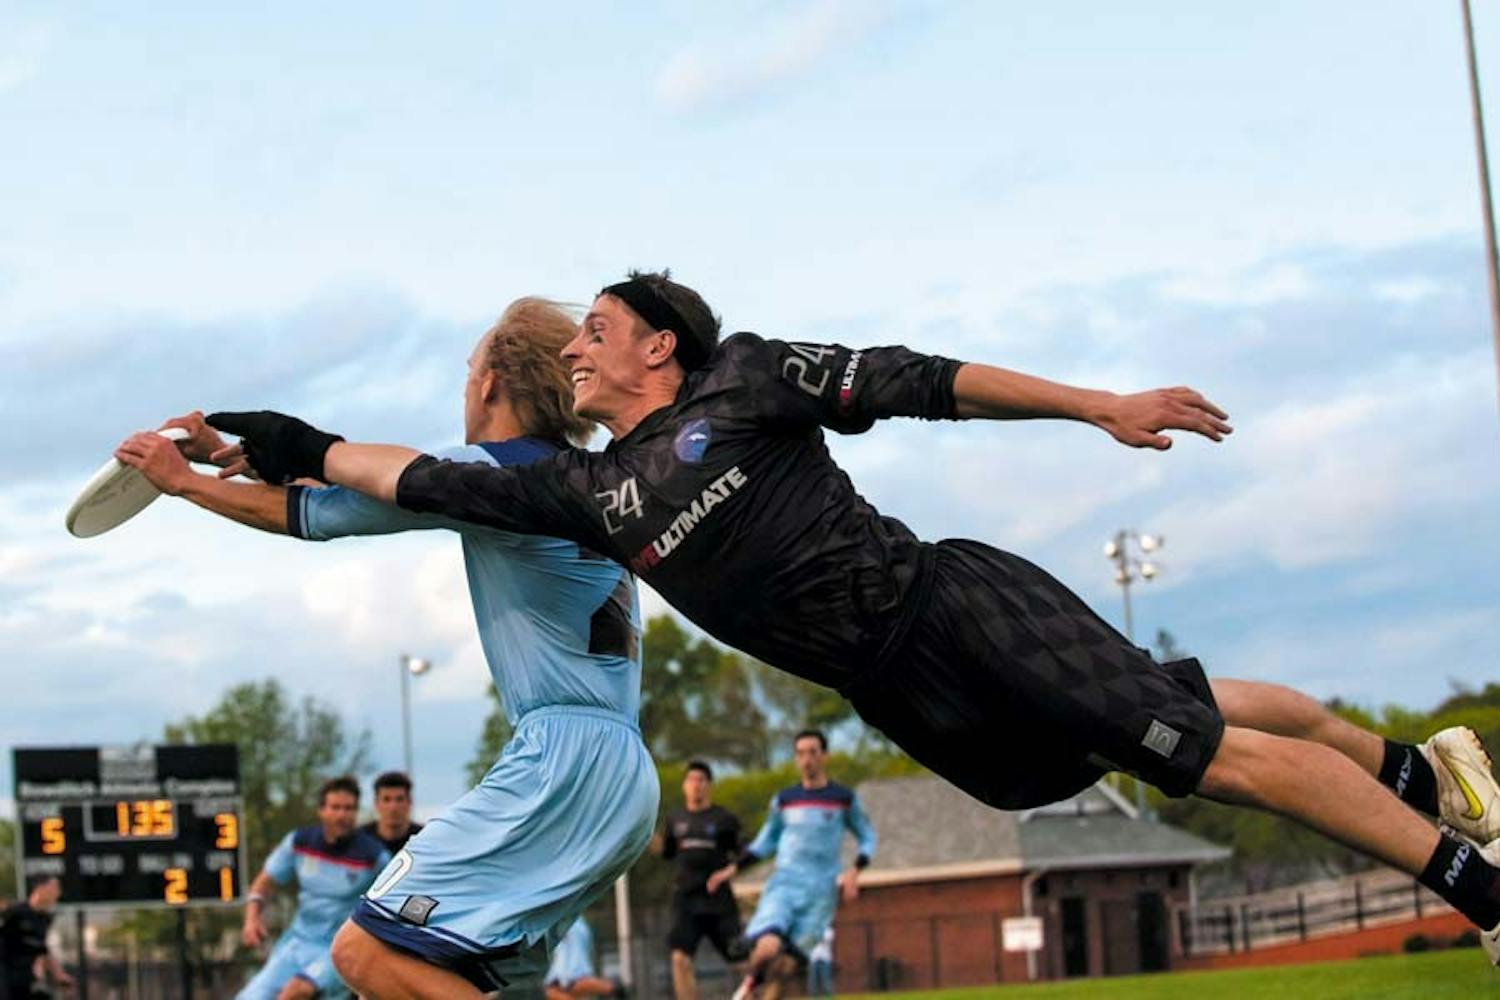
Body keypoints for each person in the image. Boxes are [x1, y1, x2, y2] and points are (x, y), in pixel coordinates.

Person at [200, 270, 1500, 963]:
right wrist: (288, 439)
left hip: (958, 610)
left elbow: (927, 382)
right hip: (905, 699)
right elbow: (410, 477)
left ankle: (1475, 885)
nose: (578, 351)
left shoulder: (748, 379)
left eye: (598, 329)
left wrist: (1099, 401)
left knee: (1195, 755)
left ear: (661, 343)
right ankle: (1405, 767)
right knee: (1157, 727)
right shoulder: (586, 494)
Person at [115, 297, 658, 999]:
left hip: (561, 763)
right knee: (459, 978)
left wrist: (182, 482)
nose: (465, 386)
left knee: (366, 954)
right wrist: (227, 460)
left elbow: (325, 510)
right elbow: (347, 487)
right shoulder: (572, 482)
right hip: (620, 770)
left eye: (469, 371)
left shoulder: (489, 472)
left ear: (490, 382)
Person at [708, 731, 874, 1000]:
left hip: (820, 894)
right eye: (801, 753)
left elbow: (868, 836)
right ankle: (749, 986)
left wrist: (855, 870)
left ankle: (752, 988)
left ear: (824, 756)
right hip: (785, 885)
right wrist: (733, 868)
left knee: (785, 968)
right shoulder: (784, 800)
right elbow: (764, 843)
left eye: (813, 752)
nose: (807, 759)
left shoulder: (843, 798)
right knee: (766, 950)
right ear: (796, 758)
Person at [237, 776, 388, 1000]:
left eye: (349, 808)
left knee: (296, 992)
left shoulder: (374, 856)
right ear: (321, 810)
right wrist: (251, 920)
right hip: (296, 942)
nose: (342, 815)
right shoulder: (300, 842)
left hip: (339, 949)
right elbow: (263, 883)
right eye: (335, 807)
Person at [658, 760, 744, 1000]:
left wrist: (727, 872)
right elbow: (666, 852)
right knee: (679, 959)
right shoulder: (674, 819)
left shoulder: (724, 819)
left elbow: (745, 854)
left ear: (709, 785)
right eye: (691, 780)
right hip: (685, 900)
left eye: (701, 780)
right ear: (685, 785)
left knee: (743, 962)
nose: (696, 785)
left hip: (719, 902)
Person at [0, 877, 74, 998]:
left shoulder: (45, 919)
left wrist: (59, 974)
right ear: (40, 888)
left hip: (25, 977)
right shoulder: (15, 911)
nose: (58, 893)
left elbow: (41, 948)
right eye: (54, 888)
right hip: (5, 975)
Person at [542, 917, 622, 1000]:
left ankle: (614, 989)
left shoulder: (572, 925)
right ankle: (614, 989)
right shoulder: (578, 924)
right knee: (552, 991)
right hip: (569, 973)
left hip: (570, 973)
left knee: (553, 990)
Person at [360, 772, 424, 855]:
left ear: (409, 802)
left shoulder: (422, 839)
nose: (393, 807)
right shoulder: (360, 839)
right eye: (386, 800)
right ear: (376, 804)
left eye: (399, 799)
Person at [806, 926, 834, 998]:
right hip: (813, 959)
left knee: (826, 980)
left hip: (825, 959)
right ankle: (814, 998)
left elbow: (827, 939)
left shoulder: (828, 930)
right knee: (813, 981)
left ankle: (828, 997)